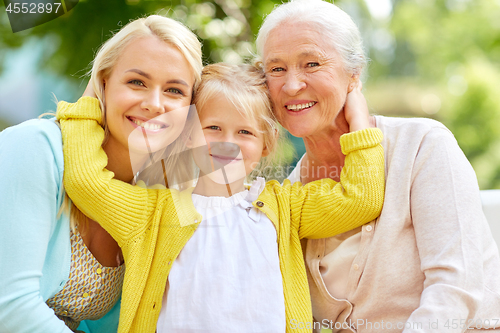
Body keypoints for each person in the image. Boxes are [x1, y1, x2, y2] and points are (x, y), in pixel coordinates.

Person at [55, 62, 385, 332]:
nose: (229, 143)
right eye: (213, 128)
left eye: (245, 132)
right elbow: (87, 182)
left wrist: (358, 120)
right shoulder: (153, 212)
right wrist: (88, 102)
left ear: (266, 144)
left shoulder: (283, 208)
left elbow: (360, 199)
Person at [256, 0, 500, 332]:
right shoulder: (292, 193)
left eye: (311, 63)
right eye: (276, 68)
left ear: (353, 74)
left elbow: (454, 289)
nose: (292, 85)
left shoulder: (422, 145)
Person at [0, 14, 202, 333]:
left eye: (175, 91)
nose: (154, 103)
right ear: (104, 84)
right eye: (137, 82)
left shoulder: (155, 198)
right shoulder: (35, 147)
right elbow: (9, 307)